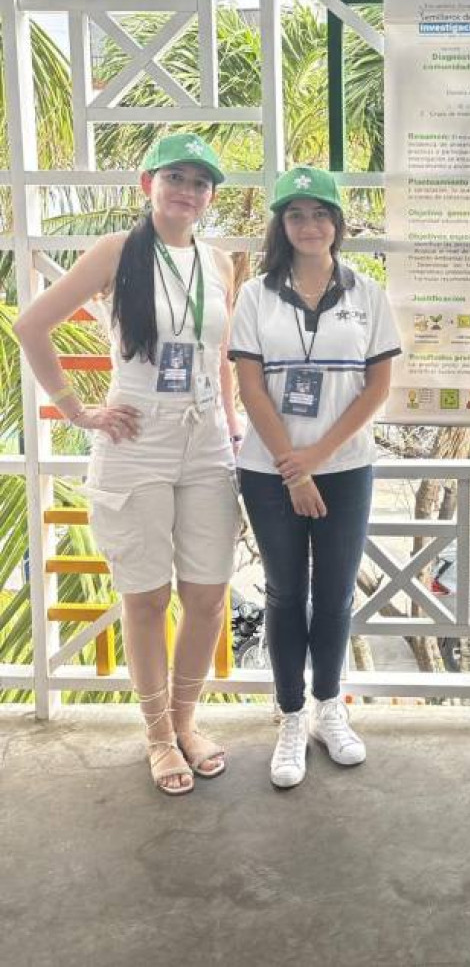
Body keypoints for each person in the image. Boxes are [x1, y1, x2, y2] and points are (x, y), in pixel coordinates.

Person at [14, 134, 242, 795]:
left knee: (206, 596)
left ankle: (185, 720)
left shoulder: (220, 261)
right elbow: (32, 325)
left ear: (209, 197)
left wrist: (229, 424)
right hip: (136, 432)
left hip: (204, 442)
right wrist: (77, 409)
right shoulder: (117, 251)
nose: (187, 190)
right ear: (148, 183)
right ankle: (155, 735)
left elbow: (218, 353)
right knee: (145, 597)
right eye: (175, 176)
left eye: (200, 182)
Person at [230, 166, 400, 789]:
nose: (309, 225)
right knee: (283, 593)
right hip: (269, 470)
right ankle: (291, 716)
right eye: (296, 215)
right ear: (282, 225)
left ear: (338, 224)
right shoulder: (256, 295)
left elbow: (376, 386)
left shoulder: (366, 294)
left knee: (333, 596)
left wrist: (317, 459)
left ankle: (330, 707)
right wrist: (290, 467)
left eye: (320, 214)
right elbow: (250, 386)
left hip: (346, 468)